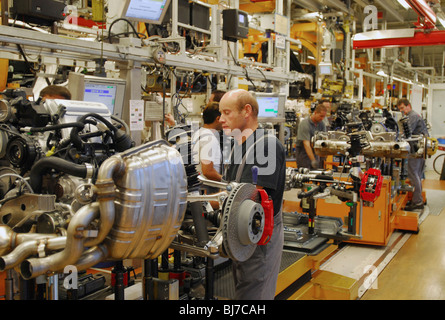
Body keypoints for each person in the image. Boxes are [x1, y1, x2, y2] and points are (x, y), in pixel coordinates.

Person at [219, 89, 286, 300]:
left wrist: (210, 202)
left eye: (227, 112)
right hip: (242, 235)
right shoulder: (240, 144)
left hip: (258, 238)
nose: (221, 119)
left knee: (255, 295)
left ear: (246, 111)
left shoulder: (266, 146)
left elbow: (251, 199)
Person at [397, 98, 429, 211]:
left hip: (416, 150)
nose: (402, 111)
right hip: (420, 149)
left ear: (408, 106)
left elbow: (407, 133)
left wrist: (397, 136)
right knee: (417, 175)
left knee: (413, 174)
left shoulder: (412, 116)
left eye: (402, 108)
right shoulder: (413, 115)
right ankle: (418, 198)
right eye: (400, 109)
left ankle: (417, 202)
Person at [191, 101, 223, 183]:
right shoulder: (210, 139)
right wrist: (225, 182)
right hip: (207, 187)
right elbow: (207, 171)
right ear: (218, 119)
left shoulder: (198, 133)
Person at [296, 103, 327, 169]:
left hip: (315, 152)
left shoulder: (322, 124)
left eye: (324, 116)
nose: (322, 118)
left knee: (317, 176)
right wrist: (313, 160)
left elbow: (324, 140)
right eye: (321, 116)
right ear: (315, 113)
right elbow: (306, 144)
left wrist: (323, 155)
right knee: (304, 175)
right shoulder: (305, 124)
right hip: (303, 153)